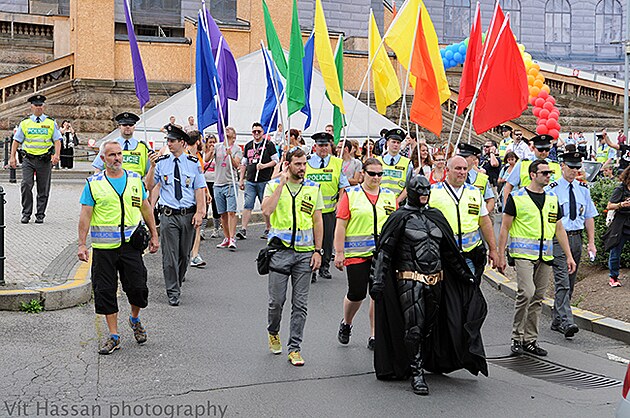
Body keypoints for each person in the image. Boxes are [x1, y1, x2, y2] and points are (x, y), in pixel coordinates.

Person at [370, 175, 488, 395]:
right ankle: (416, 373)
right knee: (413, 326)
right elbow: (384, 251)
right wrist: (377, 280)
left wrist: (465, 274)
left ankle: (423, 360)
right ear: (411, 191)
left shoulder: (436, 217)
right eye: (420, 190)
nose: (424, 193)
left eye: (427, 189)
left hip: (436, 280)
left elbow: (449, 252)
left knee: (430, 327)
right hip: (409, 279)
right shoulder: (399, 218)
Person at [77, 139, 159, 354]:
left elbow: (146, 207)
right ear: (103, 159)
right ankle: (114, 335)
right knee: (105, 291)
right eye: (112, 155)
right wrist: (81, 244)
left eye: (119, 154)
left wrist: (154, 235)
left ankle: (134, 318)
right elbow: (85, 215)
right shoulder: (93, 183)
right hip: (104, 248)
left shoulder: (134, 180)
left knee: (138, 288)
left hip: (131, 245)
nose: (117, 158)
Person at [497, 159, 576, 357]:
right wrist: (499, 254)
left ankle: (530, 340)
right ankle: (517, 336)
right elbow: (504, 227)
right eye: (544, 173)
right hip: (523, 254)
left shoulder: (551, 198)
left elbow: (559, 228)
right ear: (533, 175)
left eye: (549, 172)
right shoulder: (517, 197)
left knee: (538, 298)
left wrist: (568, 256)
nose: (549, 175)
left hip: (545, 255)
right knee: (527, 292)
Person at [262, 148, 324, 366]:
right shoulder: (273, 186)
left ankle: (295, 348)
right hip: (280, 253)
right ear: (287, 164)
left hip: (304, 254)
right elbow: (267, 211)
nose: (302, 168)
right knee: (276, 302)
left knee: (300, 304)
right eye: (297, 164)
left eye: (304, 163)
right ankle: (273, 330)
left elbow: (317, 221)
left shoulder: (313, 188)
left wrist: (318, 251)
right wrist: (280, 183)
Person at [334, 158, 397, 350]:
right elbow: (341, 225)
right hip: (357, 254)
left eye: (380, 174)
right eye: (372, 173)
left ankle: (374, 335)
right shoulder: (352, 194)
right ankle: (347, 322)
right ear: (363, 173)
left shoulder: (389, 196)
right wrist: (339, 252)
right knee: (357, 293)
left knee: (377, 294)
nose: (376, 177)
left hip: (382, 255)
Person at [146, 124, 206, 306]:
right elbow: (149, 185)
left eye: (172, 141)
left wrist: (200, 212)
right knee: (169, 256)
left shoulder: (194, 163)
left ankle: (177, 281)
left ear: (182, 142)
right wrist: (152, 167)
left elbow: (199, 189)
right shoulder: (162, 162)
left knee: (184, 255)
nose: (169, 144)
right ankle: (173, 291)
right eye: (168, 141)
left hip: (187, 215)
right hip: (169, 215)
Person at [546, 152, 598, 338]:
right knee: (562, 280)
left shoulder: (583, 189)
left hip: (577, 238)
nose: (575, 171)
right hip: (559, 238)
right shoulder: (551, 189)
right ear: (562, 166)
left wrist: (591, 242)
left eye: (577, 167)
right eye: (571, 167)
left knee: (570, 281)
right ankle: (567, 321)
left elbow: (589, 216)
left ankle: (556, 318)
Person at [429, 156, 499, 283]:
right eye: (457, 168)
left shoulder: (475, 192)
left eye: (464, 169)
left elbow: (485, 222)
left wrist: (493, 250)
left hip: (470, 254)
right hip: (443, 255)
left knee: (470, 293)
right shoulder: (433, 192)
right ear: (447, 170)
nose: (462, 172)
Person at [9, 94, 62, 223]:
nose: (38, 108)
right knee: (26, 185)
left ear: (44, 107)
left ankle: (40, 214)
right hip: (28, 159)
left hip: (44, 160)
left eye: (40, 105)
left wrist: (57, 155)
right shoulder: (25, 123)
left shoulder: (50, 122)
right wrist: (12, 157)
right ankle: (26, 213)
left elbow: (57, 140)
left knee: (43, 188)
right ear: (31, 107)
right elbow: (16, 141)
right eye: (36, 105)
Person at [305, 132, 350, 282]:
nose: (323, 148)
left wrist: (340, 201)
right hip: (309, 209)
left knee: (327, 240)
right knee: (310, 240)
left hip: (329, 210)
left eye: (326, 145)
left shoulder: (337, 163)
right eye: (320, 145)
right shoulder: (307, 162)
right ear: (315, 147)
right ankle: (311, 269)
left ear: (330, 146)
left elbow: (343, 185)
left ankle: (324, 267)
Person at [238, 122, 278, 240]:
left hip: (264, 180)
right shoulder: (248, 145)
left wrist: (264, 166)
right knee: (247, 204)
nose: (256, 133)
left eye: (258, 131)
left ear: (263, 133)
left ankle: (268, 228)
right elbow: (244, 163)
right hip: (250, 180)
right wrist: (241, 179)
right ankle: (243, 229)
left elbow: (276, 160)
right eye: (254, 131)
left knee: (265, 206)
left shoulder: (269, 145)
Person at [503, 134, 562, 204]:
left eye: (547, 149)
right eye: (540, 149)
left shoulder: (556, 165)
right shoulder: (523, 164)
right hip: (526, 204)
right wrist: (507, 207)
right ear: (533, 148)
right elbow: (508, 186)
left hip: (550, 206)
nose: (544, 152)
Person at [92, 112, 151, 178]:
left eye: (130, 125)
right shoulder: (109, 146)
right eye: (124, 125)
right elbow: (98, 168)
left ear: (134, 127)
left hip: (135, 184)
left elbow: (150, 171)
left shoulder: (143, 147)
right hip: (113, 183)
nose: (128, 127)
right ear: (119, 127)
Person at [213, 126, 242, 250]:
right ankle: (226, 237)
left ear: (234, 136)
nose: (227, 130)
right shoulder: (217, 147)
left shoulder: (237, 149)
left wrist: (230, 155)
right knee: (222, 214)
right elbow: (207, 158)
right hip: (218, 183)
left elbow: (237, 165)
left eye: (230, 129)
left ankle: (232, 238)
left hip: (231, 183)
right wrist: (208, 148)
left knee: (231, 212)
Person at [603, 166, 630, 288]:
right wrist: (621, 204)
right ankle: (613, 276)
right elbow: (609, 205)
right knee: (615, 250)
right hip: (621, 223)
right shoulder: (620, 189)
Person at [185, 131, 208, 268]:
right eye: (202, 140)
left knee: (197, 226)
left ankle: (194, 255)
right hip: (188, 197)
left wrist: (206, 191)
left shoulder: (198, 156)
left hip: (198, 195)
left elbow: (200, 178)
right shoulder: (186, 156)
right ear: (198, 141)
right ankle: (187, 255)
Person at [377, 128, 414, 204]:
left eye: (398, 142)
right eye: (393, 142)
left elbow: (409, 186)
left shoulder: (407, 163)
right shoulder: (378, 161)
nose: (396, 145)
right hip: (379, 200)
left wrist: (397, 201)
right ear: (387, 143)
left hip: (399, 203)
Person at [458, 143, 496, 214]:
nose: (462, 159)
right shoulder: (453, 175)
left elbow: (490, 200)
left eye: (465, 157)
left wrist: (483, 216)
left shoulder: (482, 178)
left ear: (473, 159)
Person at [202, 134, 221, 238]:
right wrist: (210, 151)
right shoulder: (203, 153)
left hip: (215, 181)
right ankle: (202, 229)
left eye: (214, 142)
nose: (212, 144)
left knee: (215, 206)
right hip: (205, 182)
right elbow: (206, 160)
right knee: (204, 206)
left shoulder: (217, 154)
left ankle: (216, 228)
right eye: (210, 142)